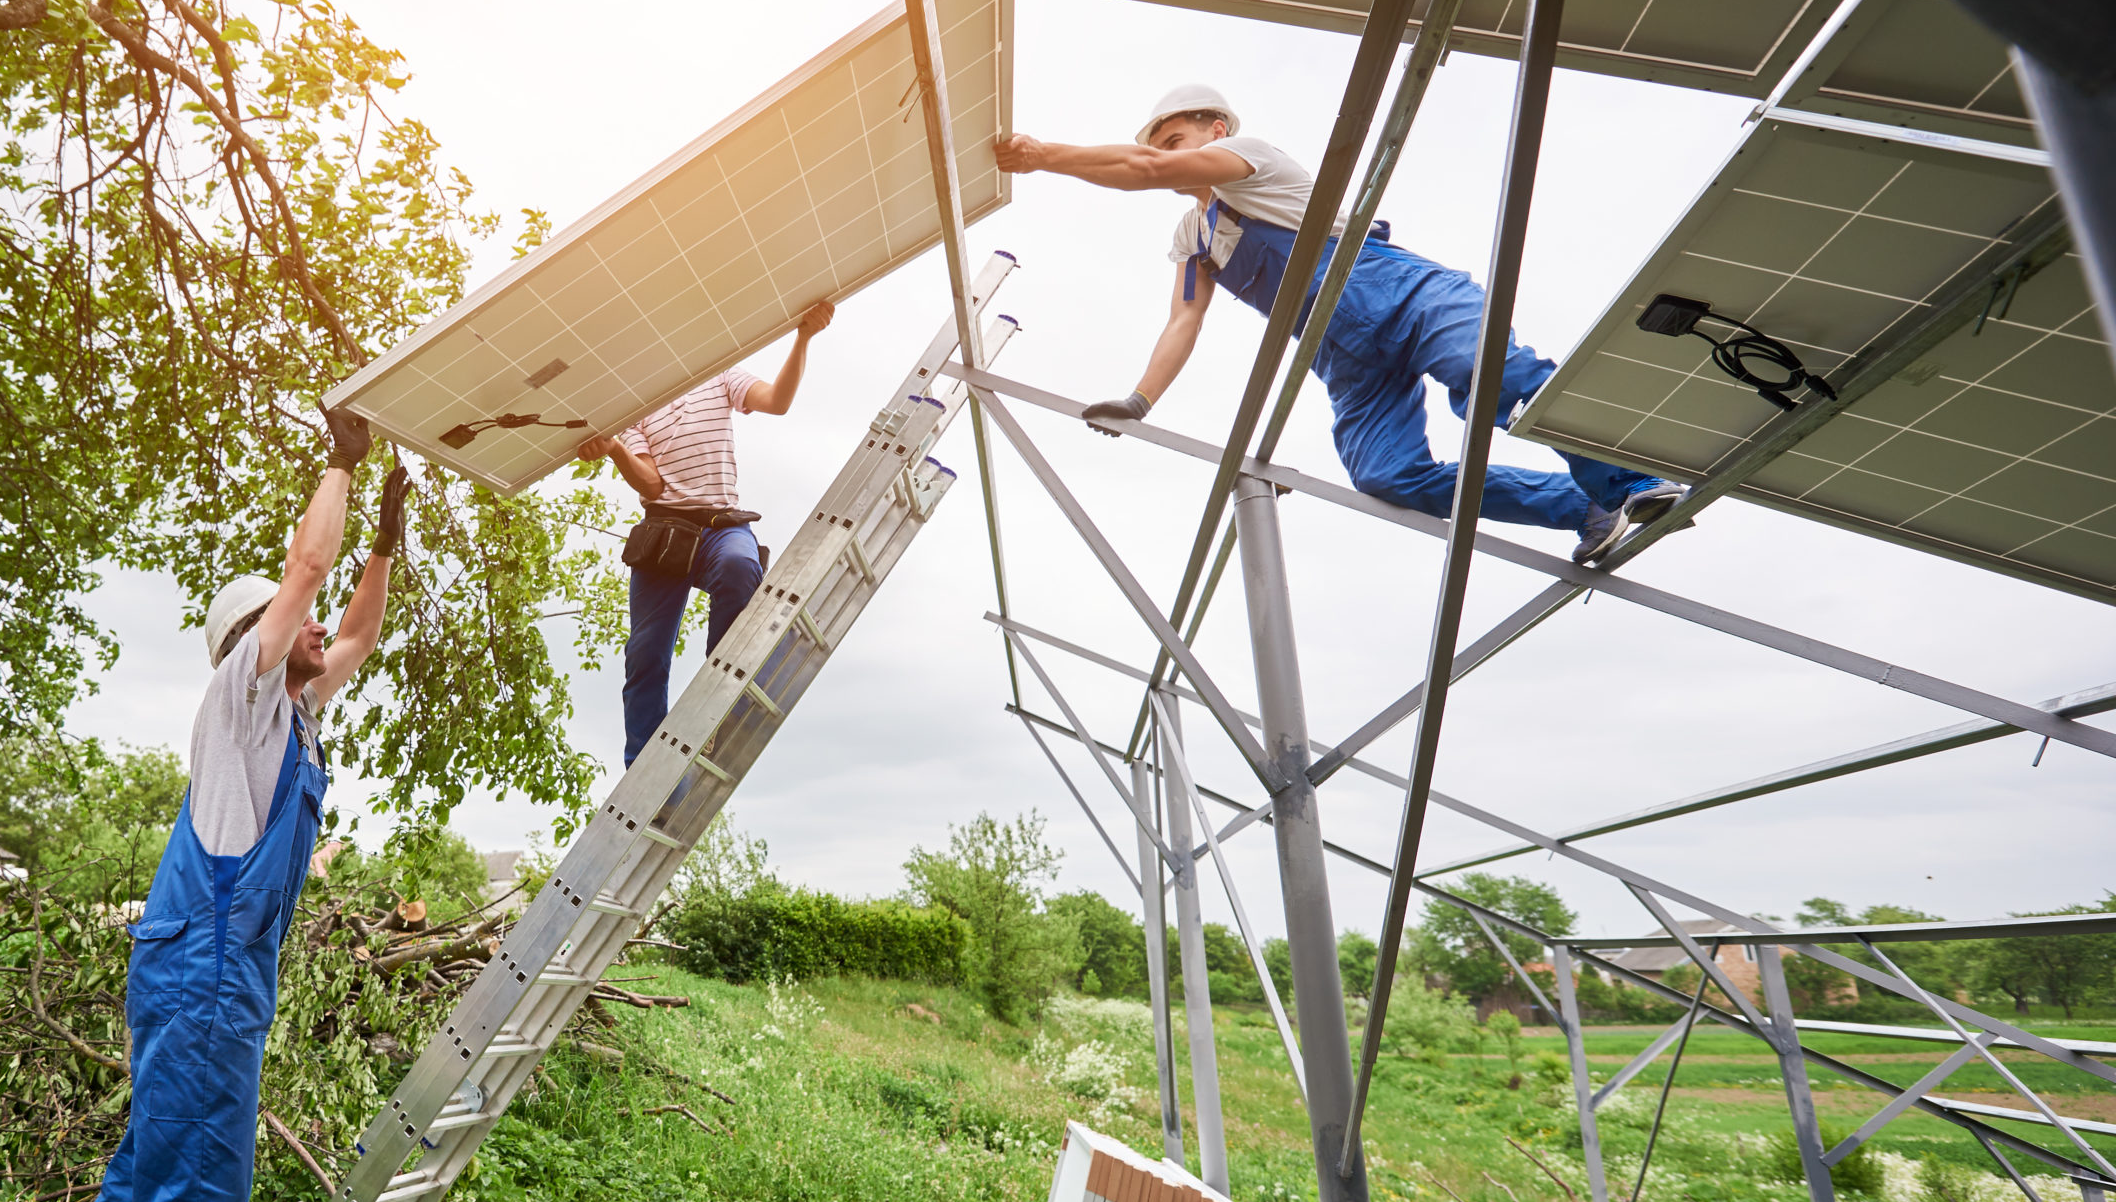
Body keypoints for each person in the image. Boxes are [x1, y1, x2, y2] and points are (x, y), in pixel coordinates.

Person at [0, 411, 408, 1202]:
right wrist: (342, 462)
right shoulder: (241, 704)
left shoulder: (293, 727)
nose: (320, 627)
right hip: (205, 986)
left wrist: (391, 531)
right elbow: (303, 570)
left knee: (140, 1192)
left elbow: (355, 624)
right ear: (258, 644)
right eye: (297, 623)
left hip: (200, 979)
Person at [993, 86, 1687, 563]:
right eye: (1166, 144)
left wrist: (1044, 155)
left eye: (1179, 139)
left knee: (1490, 377)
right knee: (1386, 474)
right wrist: (1140, 399)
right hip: (1344, 353)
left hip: (1404, 293)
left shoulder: (1252, 161)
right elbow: (1183, 318)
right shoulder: (1193, 236)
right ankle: (1580, 507)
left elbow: (1143, 166)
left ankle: (1629, 483)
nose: (1170, 154)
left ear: (1216, 131)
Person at [578, 299, 835, 764]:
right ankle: (643, 764)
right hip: (664, 534)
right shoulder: (636, 405)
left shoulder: (719, 375)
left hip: (720, 525)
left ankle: (713, 706)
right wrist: (615, 449)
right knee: (645, 654)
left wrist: (803, 338)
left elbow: (776, 401)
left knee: (741, 565)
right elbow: (652, 482)